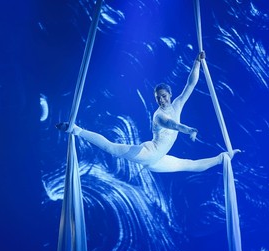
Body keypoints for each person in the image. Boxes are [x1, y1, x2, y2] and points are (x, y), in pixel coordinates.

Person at [57, 51, 238, 172]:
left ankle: (223, 158)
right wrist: (189, 130)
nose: (161, 100)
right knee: (112, 148)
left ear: (170, 95)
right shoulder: (159, 116)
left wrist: (197, 62)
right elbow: (172, 124)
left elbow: (190, 84)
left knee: (189, 165)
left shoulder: (177, 104)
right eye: (158, 97)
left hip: (158, 160)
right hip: (149, 153)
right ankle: (76, 130)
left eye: (164, 96)